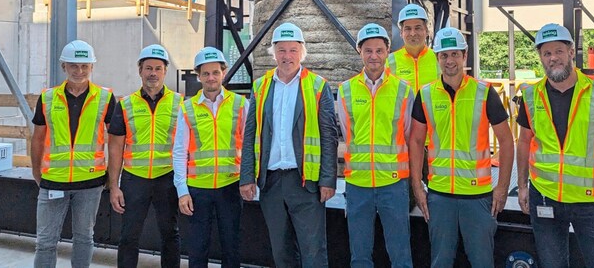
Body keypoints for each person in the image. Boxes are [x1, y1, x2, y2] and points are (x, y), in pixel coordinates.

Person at [515, 23, 594, 268]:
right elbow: (524, 141)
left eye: (558, 51)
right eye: (546, 53)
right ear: (540, 57)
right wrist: (522, 186)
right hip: (545, 196)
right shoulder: (530, 96)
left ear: (570, 52)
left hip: (590, 202)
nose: (553, 58)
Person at [409, 27, 514, 268]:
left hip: (477, 196)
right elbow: (415, 141)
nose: (449, 61)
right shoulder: (425, 95)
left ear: (464, 56)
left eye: (454, 54)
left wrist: (502, 188)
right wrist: (417, 185)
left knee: (481, 262)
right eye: (444, 55)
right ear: (437, 58)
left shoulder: (484, 92)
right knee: (440, 262)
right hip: (440, 196)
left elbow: (507, 141)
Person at [239, 22, 339, 268]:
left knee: (313, 250)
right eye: (281, 50)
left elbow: (329, 135)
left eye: (293, 50)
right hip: (271, 183)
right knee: (280, 251)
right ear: (273, 53)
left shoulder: (317, 86)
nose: (287, 56)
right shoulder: (261, 87)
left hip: (305, 183)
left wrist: (328, 180)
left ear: (302, 52)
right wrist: (246, 177)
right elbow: (250, 133)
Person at [30, 39, 116, 267]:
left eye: (84, 66)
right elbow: (38, 137)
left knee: (84, 238)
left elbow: (117, 141)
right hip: (53, 181)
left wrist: (113, 177)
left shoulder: (105, 98)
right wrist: (36, 172)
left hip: (90, 182)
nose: (79, 71)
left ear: (92, 67)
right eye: (73, 66)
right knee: (46, 241)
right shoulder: (48, 97)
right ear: (64, 67)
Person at [336, 23, 414, 268]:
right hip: (358, 184)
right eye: (368, 50)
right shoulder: (345, 90)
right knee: (359, 255)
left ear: (387, 52)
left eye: (379, 50)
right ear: (359, 52)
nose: (374, 56)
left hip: (393, 183)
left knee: (400, 253)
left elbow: (408, 134)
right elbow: (349, 134)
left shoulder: (403, 90)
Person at [172, 47, 248, 268]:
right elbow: (179, 152)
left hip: (230, 186)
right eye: (205, 73)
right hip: (197, 189)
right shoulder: (187, 109)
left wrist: (248, 180)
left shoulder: (240, 105)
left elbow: (253, 147)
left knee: (232, 247)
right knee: (197, 249)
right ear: (199, 76)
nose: (211, 78)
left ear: (223, 73)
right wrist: (182, 190)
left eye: (215, 72)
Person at [108, 44, 182, 268]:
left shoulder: (181, 103)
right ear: (140, 71)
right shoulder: (126, 104)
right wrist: (114, 186)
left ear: (165, 71)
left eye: (158, 68)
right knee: (128, 237)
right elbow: (115, 148)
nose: (153, 73)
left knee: (171, 235)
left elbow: (186, 147)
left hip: (167, 179)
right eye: (148, 68)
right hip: (134, 179)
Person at [386, 3, 440, 91]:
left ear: (426, 31)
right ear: (401, 33)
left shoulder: (439, 59)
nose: (413, 33)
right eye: (408, 29)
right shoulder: (388, 62)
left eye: (418, 28)